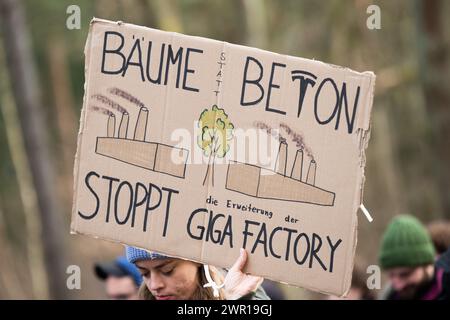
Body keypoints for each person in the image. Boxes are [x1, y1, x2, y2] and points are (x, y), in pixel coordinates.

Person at [125, 246, 270, 300]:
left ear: (198, 260)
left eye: (167, 271)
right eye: (144, 273)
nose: (155, 285)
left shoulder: (246, 293)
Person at [378, 215, 446, 300]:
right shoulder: (389, 296)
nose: (398, 286)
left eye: (405, 274)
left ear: (427, 264)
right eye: (391, 275)